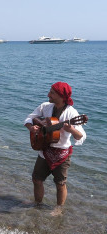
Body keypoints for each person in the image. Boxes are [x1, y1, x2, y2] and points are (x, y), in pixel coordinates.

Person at [24, 82, 86, 215]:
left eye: (52, 92)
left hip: (61, 154)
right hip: (44, 149)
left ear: (61, 96)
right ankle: (37, 204)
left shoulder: (71, 113)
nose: (48, 94)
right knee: (36, 179)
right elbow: (30, 118)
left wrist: (72, 129)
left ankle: (59, 208)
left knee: (60, 183)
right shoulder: (45, 107)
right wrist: (31, 127)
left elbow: (81, 136)